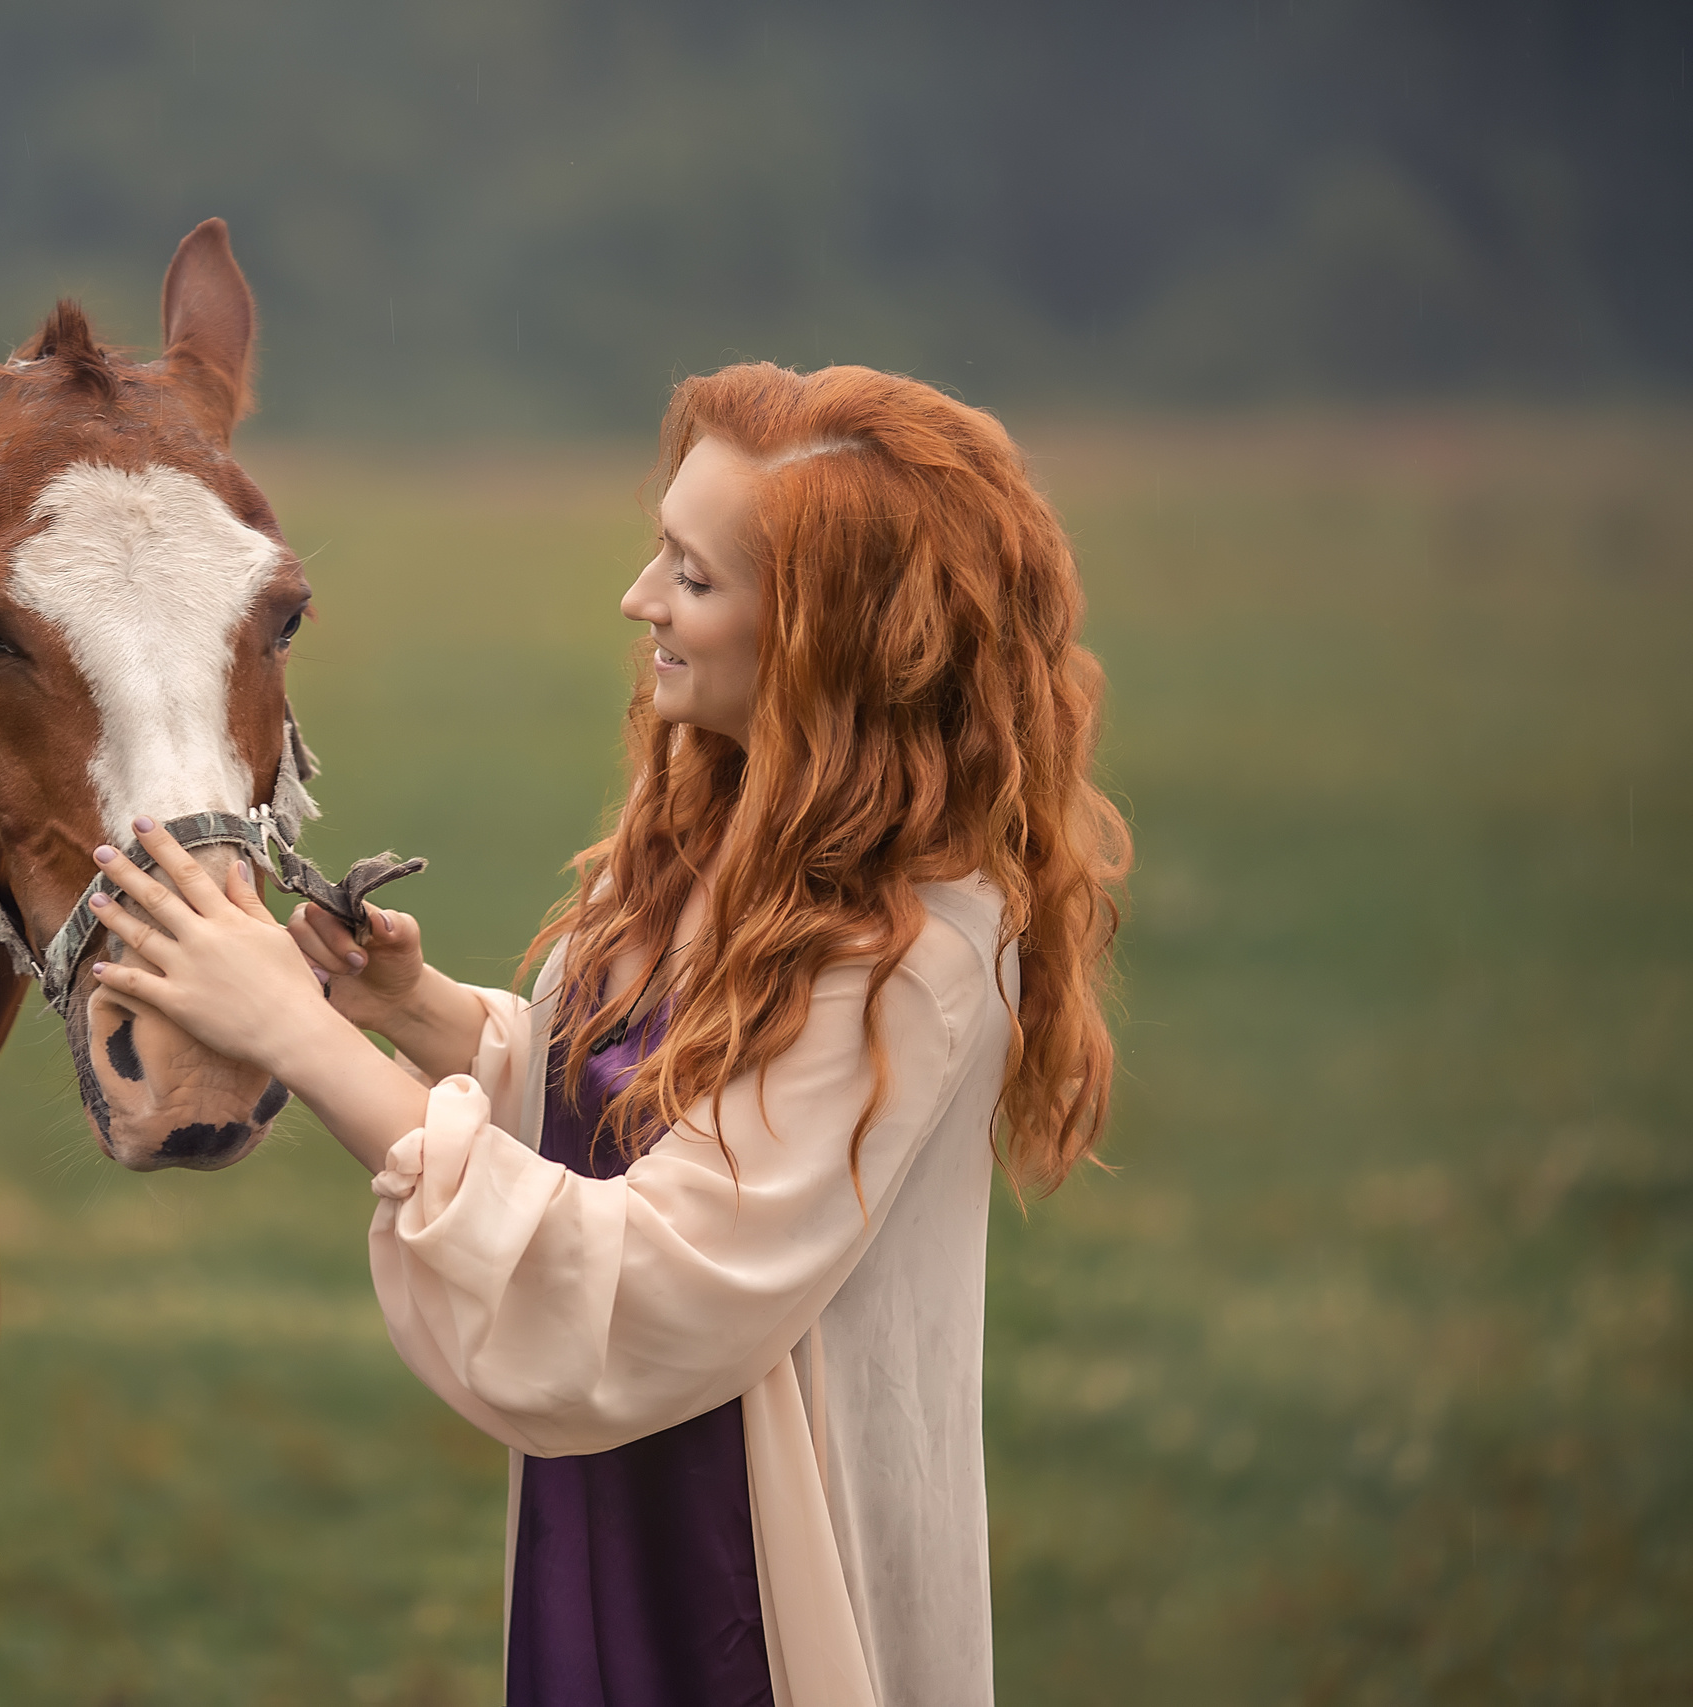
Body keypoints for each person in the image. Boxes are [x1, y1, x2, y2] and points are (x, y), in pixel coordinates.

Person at [82, 361, 1130, 1707]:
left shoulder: (918, 955)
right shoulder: (735, 849)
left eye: (693, 577)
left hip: (747, 1607)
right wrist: (425, 1016)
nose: (641, 597)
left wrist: (303, 1040)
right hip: (627, 1529)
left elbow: (656, 1283)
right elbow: (650, 1114)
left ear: (829, 637)